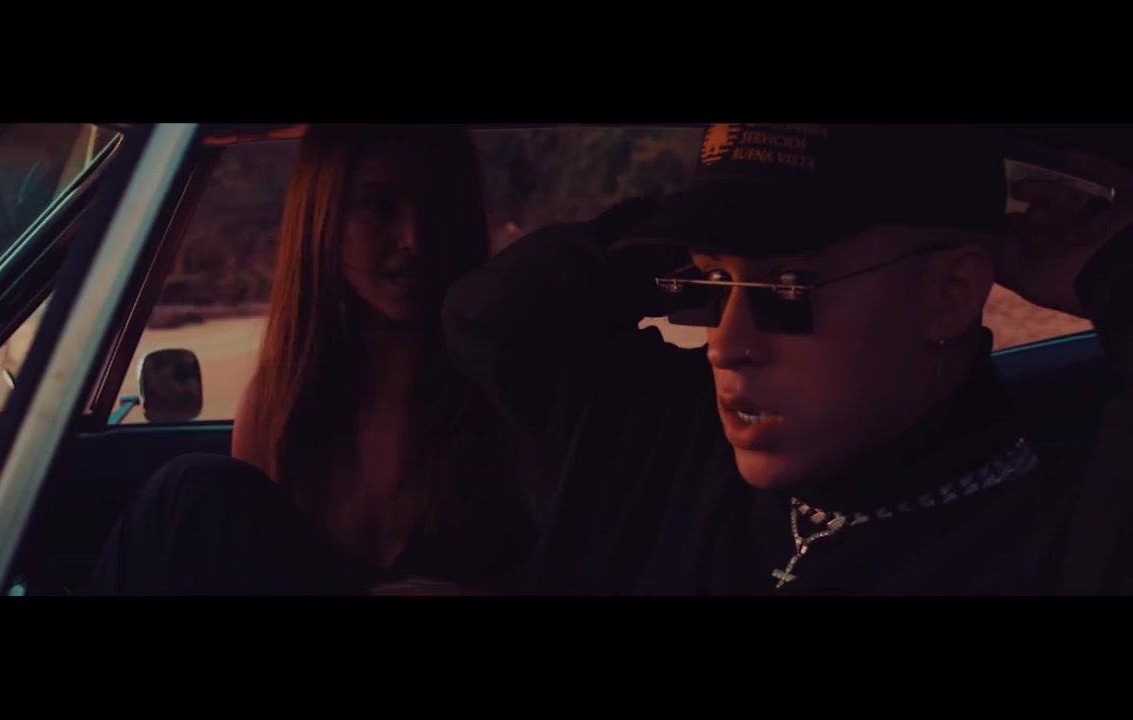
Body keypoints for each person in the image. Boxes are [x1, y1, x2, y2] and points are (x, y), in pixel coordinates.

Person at [442, 123, 1133, 595]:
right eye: (711, 285)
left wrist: (1115, 275)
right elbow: (497, 315)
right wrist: (717, 209)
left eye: (786, 290)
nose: (726, 344)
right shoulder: (666, 443)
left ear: (948, 296)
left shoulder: (1061, 545)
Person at [85, 124, 543, 595]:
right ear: (324, 217)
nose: (414, 238)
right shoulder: (279, 403)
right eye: (380, 207)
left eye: (438, 206)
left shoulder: (505, 395)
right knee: (190, 490)